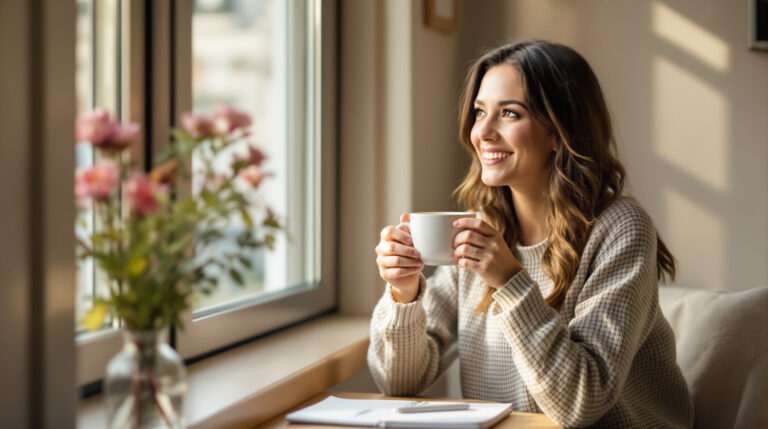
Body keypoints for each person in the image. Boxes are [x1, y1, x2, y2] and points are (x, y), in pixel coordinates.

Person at [369, 40, 694, 428]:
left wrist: (509, 281)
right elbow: (397, 382)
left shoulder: (620, 229)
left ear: (560, 131)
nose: (483, 132)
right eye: (479, 112)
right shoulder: (482, 229)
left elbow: (579, 404)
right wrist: (404, 295)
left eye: (509, 113)